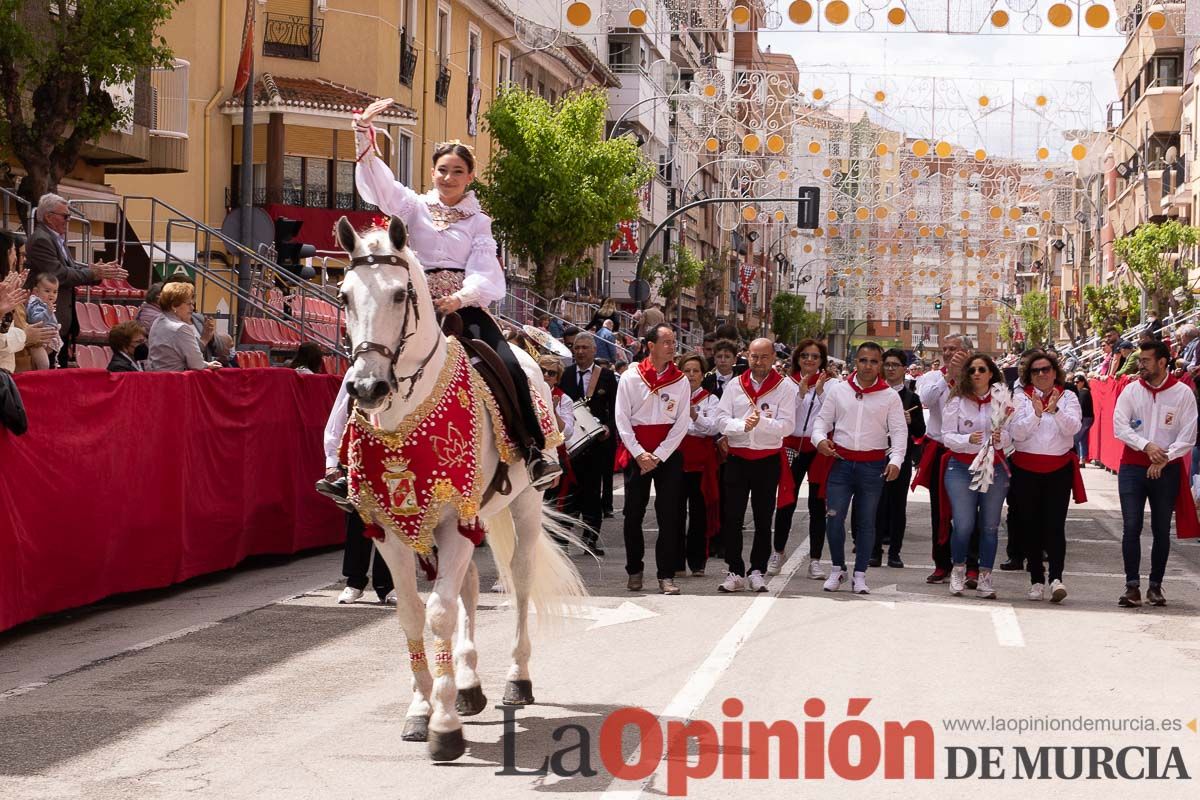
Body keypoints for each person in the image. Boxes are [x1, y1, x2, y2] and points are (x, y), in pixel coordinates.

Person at [354, 99, 558, 487]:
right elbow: (381, 184)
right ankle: (341, 458)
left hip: (462, 306)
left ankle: (533, 449)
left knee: (509, 365)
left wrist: (461, 297)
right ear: (432, 172)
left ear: (470, 177)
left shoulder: (480, 222)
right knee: (367, 359)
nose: (448, 178)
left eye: (457, 172)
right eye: (442, 170)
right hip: (413, 304)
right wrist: (362, 133)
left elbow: (485, 270)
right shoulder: (412, 207)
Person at [811, 342, 906, 595]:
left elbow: (899, 432)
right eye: (863, 360)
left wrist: (896, 461)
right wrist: (819, 440)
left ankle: (860, 573)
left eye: (874, 361)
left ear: (880, 365)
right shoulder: (839, 391)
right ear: (855, 362)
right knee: (833, 517)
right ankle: (837, 568)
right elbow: (821, 421)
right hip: (840, 464)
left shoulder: (889, 396)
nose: (868, 366)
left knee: (866, 523)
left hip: (873, 466)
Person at [1113, 339, 1198, 608]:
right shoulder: (1131, 390)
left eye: (1146, 361)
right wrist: (1146, 446)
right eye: (1140, 361)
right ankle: (1132, 586)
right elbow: (1120, 426)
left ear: (1163, 362)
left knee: (1161, 529)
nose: (1141, 366)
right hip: (1132, 467)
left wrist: (1165, 458)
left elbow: (1188, 434)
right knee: (1131, 526)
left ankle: (1155, 586)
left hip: (1166, 470)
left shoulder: (1182, 393)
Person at [714, 338, 798, 593]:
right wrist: (741, 426)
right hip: (738, 458)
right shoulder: (735, 385)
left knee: (763, 518)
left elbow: (787, 426)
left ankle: (757, 570)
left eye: (763, 357)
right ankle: (735, 570)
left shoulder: (784, 388)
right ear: (746, 356)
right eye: (753, 356)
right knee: (732, 517)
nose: (758, 362)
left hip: (767, 459)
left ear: (774, 357)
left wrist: (761, 423)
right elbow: (720, 419)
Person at [615, 323, 690, 595]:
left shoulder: (680, 380)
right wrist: (639, 453)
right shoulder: (631, 377)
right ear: (651, 346)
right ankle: (634, 570)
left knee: (669, 515)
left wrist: (658, 455)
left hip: (666, 453)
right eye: (667, 342)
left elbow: (681, 423)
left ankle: (666, 574)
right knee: (632, 514)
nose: (672, 346)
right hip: (636, 451)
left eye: (673, 341)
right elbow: (621, 418)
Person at [1009, 351, 1084, 603]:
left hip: (1057, 469)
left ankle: (1056, 578)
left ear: (1055, 372)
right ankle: (1036, 580)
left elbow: (1074, 428)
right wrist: (1037, 414)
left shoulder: (1069, 396)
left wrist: (1057, 410)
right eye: (1036, 371)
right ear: (1029, 375)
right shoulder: (1020, 398)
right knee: (1029, 525)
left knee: (1055, 525)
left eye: (1046, 369)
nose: (1041, 374)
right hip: (1026, 469)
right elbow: (1017, 433)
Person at [22, 193, 126, 367]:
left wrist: (96, 272)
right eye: (65, 216)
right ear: (48, 216)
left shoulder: (55, 239)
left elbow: (71, 269)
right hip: (45, 322)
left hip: (59, 320)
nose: (68, 220)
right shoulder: (41, 239)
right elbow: (59, 274)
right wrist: (93, 273)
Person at [942, 354, 1012, 599]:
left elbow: (1011, 436)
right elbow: (947, 436)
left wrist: (1000, 438)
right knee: (963, 524)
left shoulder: (1001, 399)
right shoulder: (956, 400)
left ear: (991, 373)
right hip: (961, 467)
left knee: (990, 526)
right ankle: (958, 569)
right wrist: (966, 440)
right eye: (972, 370)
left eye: (982, 369)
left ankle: (985, 577)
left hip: (994, 466)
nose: (977, 374)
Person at [322, 376, 396, 605]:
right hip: (360, 454)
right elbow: (341, 410)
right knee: (357, 520)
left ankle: (388, 585)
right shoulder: (358, 369)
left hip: (395, 453)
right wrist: (332, 459)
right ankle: (354, 582)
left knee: (391, 523)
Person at [914, 334, 977, 585]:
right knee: (939, 511)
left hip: (971, 450)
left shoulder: (979, 375)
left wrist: (964, 374)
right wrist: (946, 376)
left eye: (955, 349)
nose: (949, 353)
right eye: (946, 349)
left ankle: (972, 565)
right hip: (941, 449)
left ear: (968, 353)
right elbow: (925, 401)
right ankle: (942, 563)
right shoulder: (932, 377)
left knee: (973, 511)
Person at [772, 339, 834, 579]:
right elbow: (785, 415)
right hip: (792, 446)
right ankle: (778, 551)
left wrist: (818, 393)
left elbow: (830, 417)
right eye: (805, 355)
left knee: (818, 505)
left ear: (822, 361)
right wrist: (800, 393)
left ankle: (816, 560)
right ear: (797, 358)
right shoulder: (786, 383)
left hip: (818, 447)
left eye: (815, 357)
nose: (810, 360)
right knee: (786, 500)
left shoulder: (831, 384)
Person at [561, 332, 618, 554]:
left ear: (594, 350)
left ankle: (590, 540)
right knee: (569, 492)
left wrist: (608, 428)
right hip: (571, 444)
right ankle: (564, 538)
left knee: (593, 492)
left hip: (597, 444)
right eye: (577, 348)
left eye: (585, 347)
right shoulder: (564, 375)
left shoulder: (605, 376)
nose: (581, 352)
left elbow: (615, 408)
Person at [870, 348, 926, 569]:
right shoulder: (875, 393)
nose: (890, 368)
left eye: (895, 365)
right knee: (876, 505)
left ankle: (895, 552)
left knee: (897, 506)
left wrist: (911, 420)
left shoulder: (912, 398)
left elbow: (921, 432)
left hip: (900, 458)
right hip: (875, 456)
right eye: (887, 364)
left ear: (904, 369)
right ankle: (874, 551)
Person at [677, 353, 721, 577]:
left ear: (703, 375)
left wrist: (695, 417)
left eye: (696, 371)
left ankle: (697, 562)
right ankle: (675, 562)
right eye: (687, 370)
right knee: (674, 513)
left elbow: (713, 428)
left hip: (701, 464)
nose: (691, 375)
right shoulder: (672, 396)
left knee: (698, 514)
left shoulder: (711, 399)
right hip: (676, 461)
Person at [148, 282, 222, 372]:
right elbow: (197, 364)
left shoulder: (157, 321)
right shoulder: (180, 328)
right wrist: (208, 365)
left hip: (157, 379)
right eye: (188, 304)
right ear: (174, 305)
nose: (192, 308)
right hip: (177, 381)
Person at [24, 273, 63, 370]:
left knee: (42, 363)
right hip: (37, 341)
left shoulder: (45, 304)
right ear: (36, 292)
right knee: (44, 364)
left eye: (55, 292)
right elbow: (35, 319)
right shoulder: (36, 303)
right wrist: (48, 312)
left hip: (45, 340)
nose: (51, 295)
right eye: (47, 291)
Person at [1073, 373, 1094, 465]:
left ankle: (1078, 458)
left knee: (1076, 439)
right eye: (1074, 382)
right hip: (1087, 418)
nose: (1075, 384)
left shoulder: (1083, 392)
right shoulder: (1085, 391)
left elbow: (1080, 407)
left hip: (1084, 418)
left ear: (1082, 382)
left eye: (1077, 382)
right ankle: (1082, 459)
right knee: (1082, 439)